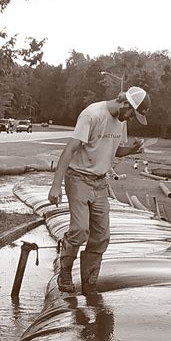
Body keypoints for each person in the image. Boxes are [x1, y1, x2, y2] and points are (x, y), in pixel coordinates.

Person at [48, 86, 151, 295]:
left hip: (100, 182)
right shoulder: (92, 114)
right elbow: (70, 149)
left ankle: (89, 283)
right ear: (125, 103)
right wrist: (56, 185)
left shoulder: (120, 122)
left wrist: (131, 149)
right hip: (78, 178)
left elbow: (114, 149)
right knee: (79, 230)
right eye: (132, 113)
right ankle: (65, 271)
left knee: (101, 236)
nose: (130, 118)